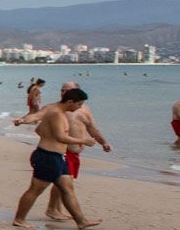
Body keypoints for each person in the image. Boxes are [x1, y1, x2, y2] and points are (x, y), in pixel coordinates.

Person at [13, 83, 110, 220]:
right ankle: (30, 216)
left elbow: (92, 128)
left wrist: (103, 142)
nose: (63, 92)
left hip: (64, 154)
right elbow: (37, 117)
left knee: (66, 187)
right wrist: (23, 120)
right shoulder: (54, 110)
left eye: (67, 90)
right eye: (62, 90)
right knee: (38, 189)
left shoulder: (82, 109)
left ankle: (80, 221)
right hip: (53, 154)